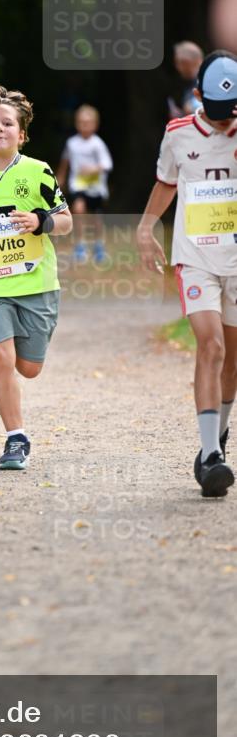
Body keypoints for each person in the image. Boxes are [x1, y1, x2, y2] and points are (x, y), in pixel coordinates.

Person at [0, 86, 72, 470]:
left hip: (37, 285)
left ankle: (26, 356)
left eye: (7, 123)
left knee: (29, 368)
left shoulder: (38, 172)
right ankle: (16, 438)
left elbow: (66, 221)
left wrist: (40, 221)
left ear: (21, 134)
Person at [137, 50, 237, 498]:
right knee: (211, 345)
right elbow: (166, 182)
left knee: (232, 362)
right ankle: (210, 456)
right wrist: (144, 228)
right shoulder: (178, 133)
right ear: (197, 95)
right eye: (215, 110)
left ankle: (219, 433)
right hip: (196, 257)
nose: (223, 119)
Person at [56, 104, 112, 265]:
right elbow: (65, 161)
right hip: (78, 185)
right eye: (81, 122)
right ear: (76, 123)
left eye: (88, 123)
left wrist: (93, 169)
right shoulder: (71, 143)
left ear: (95, 124)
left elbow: (107, 164)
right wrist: (60, 178)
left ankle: (99, 247)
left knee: (96, 220)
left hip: (96, 188)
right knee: (78, 210)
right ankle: (80, 247)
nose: (84, 126)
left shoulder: (98, 144)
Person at [168, 41, 204, 118]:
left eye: (182, 63)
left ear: (196, 62)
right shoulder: (179, 83)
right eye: (177, 63)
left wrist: (192, 106)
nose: (178, 67)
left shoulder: (208, 81)